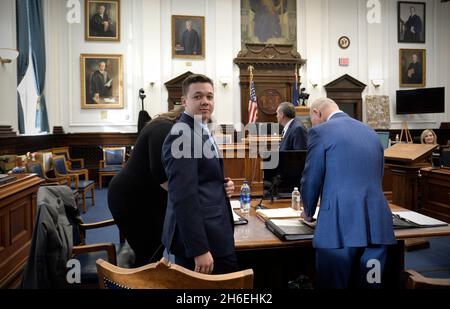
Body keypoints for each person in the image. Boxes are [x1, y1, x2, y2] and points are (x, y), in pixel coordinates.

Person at [300, 98, 396, 288]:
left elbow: (311, 178)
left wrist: (308, 211)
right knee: (371, 285)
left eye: (312, 119)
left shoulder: (320, 132)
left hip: (337, 228)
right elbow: (378, 174)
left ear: (317, 113)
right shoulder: (370, 132)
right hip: (376, 227)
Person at [161, 74, 237, 274]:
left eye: (210, 97)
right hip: (203, 240)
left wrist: (222, 185)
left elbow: (202, 177)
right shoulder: (183, 134)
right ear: (184, 101)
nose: (205, 101)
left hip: (213, 230)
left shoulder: (200, 128)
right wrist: (199, 248)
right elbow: (183, 196)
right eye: (198, 96)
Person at [107, 108, 183, 267]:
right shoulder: (163, 128)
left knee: (158, 245)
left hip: (148, 196)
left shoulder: (177, 131)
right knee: (149, 251)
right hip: (130, 198)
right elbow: (161, 175)